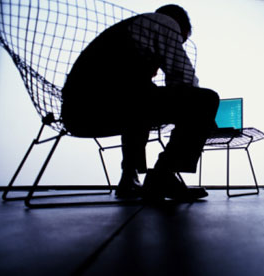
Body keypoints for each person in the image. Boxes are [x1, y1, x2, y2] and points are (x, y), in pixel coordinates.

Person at [61, 5, 219, 201]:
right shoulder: (163, 22)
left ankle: (129, 178)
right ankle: (163, 175)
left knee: (141, 101)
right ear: (178, 25)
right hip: (106, 104)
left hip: (78, 113)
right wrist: (202, 119)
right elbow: (182, 77)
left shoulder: (125, 36)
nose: (177, 45)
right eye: (179, 40)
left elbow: (135, 96)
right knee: (205, 100)